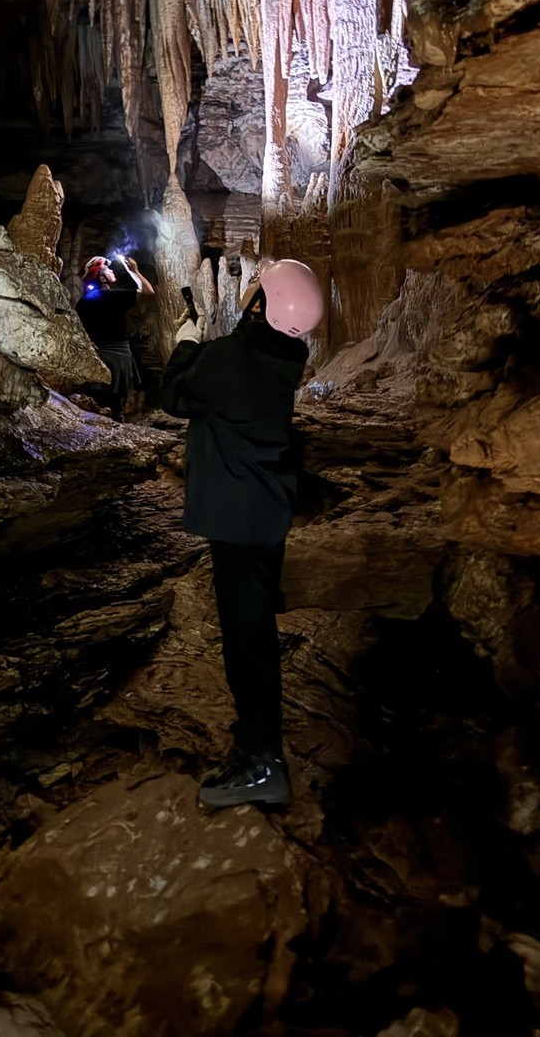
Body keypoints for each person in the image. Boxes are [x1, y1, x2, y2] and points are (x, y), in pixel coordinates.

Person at [159, 258, 325, 811]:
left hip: (235, 519)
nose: (252, 288)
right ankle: (255, 747)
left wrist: (185, 341)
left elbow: (177, 394)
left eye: (259, 287)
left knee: (247, 643)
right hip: (265, 513)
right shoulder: (285, 356)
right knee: (253, 633)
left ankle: (262, 762)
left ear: (265, 305)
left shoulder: (230, 358)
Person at [75, 253, 154, 420]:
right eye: (108, 269)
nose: (112, 271)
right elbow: (148, 292)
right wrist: (134, 270)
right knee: (114, 407)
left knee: (98, 405)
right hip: (116, 358)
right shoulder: (114, 296)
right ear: (102, 277)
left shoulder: (83, 302)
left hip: (95, 359)